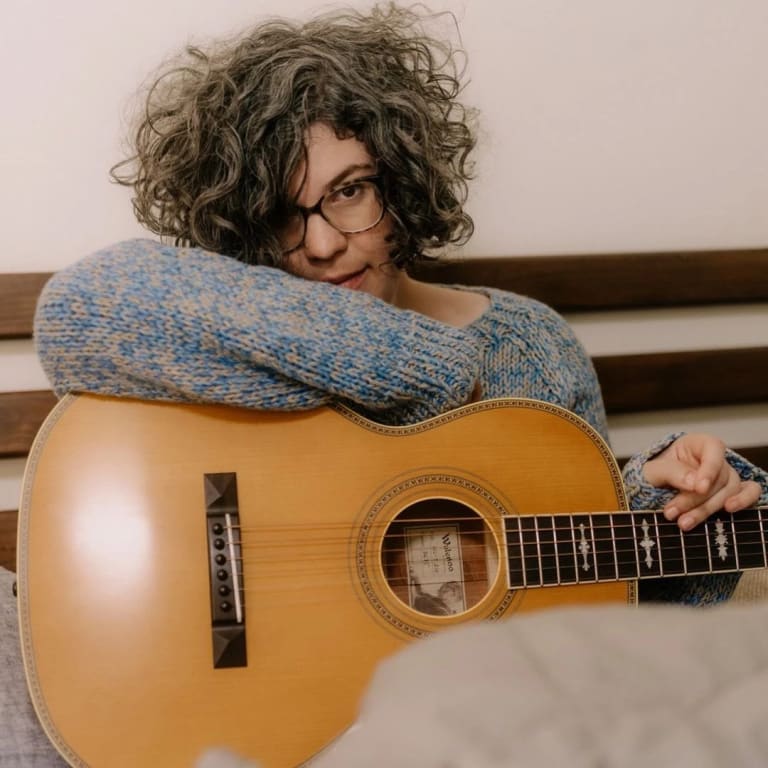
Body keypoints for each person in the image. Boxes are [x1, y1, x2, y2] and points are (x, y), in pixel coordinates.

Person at [34, 3, 767, 607]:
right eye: (281, 214)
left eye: (349, 190)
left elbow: (592, 597)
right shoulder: (221, 333)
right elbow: (74, 311)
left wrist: (670, 496)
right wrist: (425, 363)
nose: (321, 244)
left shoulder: (531, 344)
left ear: (404, 184)